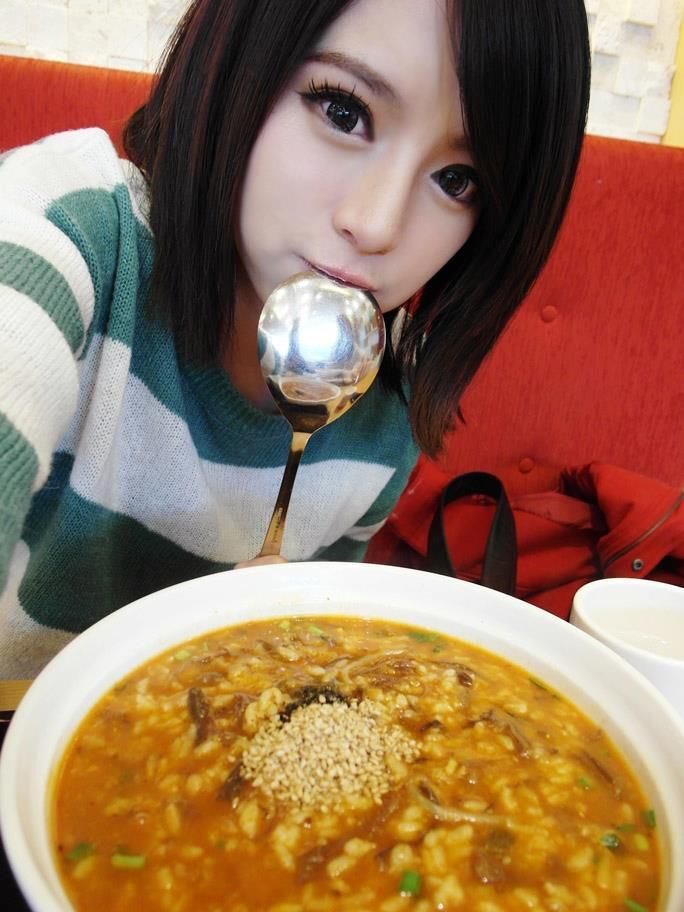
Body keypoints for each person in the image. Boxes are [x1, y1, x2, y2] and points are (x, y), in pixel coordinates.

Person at [0, 0, 590, 678]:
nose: (377, 225)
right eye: (343, 111)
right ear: (235, 61)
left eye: (457, 181)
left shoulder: (385, 395)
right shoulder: (62, 233)